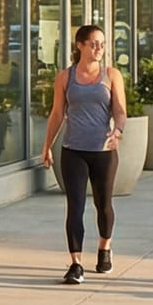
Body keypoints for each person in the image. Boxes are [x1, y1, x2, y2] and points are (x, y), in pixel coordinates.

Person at [40, 22, 127, 283]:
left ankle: (105, 248)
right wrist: (46, 146)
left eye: (102, 44)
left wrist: (118, 131)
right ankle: (76, 264)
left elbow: (120, 110)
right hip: (73, 151)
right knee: (75, 206)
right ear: (80, 46)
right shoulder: (65, 77)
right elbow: (57, 114)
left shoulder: (111, 75)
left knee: (103, 204)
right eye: (94, 43)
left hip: (103, 151)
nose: (99, 48)